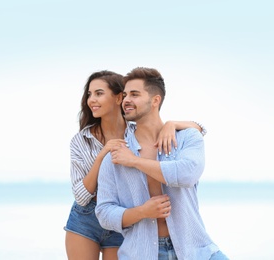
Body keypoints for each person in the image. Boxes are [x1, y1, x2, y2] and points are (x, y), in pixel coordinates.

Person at [64, 70, 207, 260]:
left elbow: (199, 130)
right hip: (87, 216)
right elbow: (81, 196)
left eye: (99, 93)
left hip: (127, 219)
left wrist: (171, 124)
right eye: (89, 94)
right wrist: (103, 155)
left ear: (117, 98)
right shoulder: (82, 140)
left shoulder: (136, 129)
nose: (91, 100)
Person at [95, 67, 228, 260]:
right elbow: (104, 213)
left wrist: (134, 161)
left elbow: (187, 174)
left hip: (195, 250)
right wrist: (142, 212)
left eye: (134, 94)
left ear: (155, 100)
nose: (126, 101)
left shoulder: (186, 138)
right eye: (125, 95)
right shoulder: (115, 155)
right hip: (141, 254)